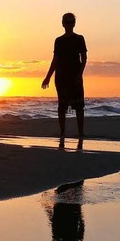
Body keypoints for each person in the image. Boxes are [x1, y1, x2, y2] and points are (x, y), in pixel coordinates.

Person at [42, 12, 87, 150]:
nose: (68, 24)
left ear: (74, 23)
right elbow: (55, 60)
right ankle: (62, 133)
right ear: (62, 24)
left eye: (70, 21)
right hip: (61, 77)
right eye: (66, 22)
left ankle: (81, 134)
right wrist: (48, 76)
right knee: (62, 106)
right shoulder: (59, 41)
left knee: (79, 106)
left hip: (75, 76)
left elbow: (84, 58)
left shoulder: (79, 39)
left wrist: (79, 74)